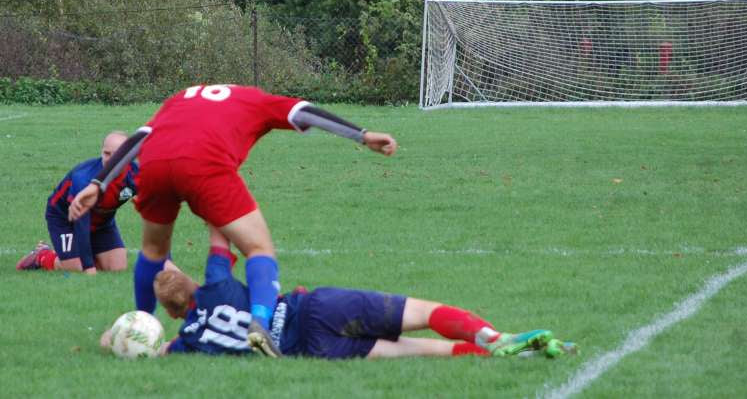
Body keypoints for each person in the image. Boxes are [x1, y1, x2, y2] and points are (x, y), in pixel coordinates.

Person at [70, 84, 397, 356]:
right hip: (204, 164)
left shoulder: (182, 97)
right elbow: (303, 112)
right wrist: (362, 135)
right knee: (259, 248)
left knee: (153, 252)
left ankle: (138, 325)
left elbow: (140, 137)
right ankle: (259, 323)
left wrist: (99, 183)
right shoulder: (255, 99)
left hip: (156, 163)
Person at [99, 231, 574, 359]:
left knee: (425, 350)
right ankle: (494, 335)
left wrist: (117, 336)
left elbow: (156, 349)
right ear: (193, 287)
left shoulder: (189, 343)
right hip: (314, 307)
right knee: (426, 314)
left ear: (172, 312)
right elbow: (220, 234)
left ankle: (508, 355)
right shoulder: (218, 285)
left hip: (313, 350)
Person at [16, 131, 137, 273]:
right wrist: (88, 267)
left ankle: (82, 254)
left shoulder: (135, 174)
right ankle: (42, 256)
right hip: (66, 220)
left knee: (117, 268)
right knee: (77, 268)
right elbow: (81, 224)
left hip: (102, 222)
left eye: (116, 155)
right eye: (106, 153)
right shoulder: (84, 179)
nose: (109, 160)